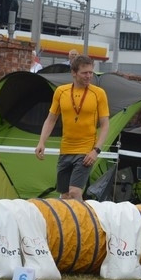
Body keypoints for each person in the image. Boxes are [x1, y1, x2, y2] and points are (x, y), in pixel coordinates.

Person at [34, 54, 110, 201]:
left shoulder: (98, 93)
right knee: (65, 195)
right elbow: (51, 119)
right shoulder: (61, 91)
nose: (89, 76)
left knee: (75, 192)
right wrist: (42, 142)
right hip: (66, 150)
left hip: (85, 150)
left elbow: (105, 125)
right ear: (74, 73)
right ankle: (69, 222)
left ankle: (84, 222)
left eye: (90, 72)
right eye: (84, 73)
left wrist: (96, 150)